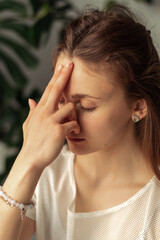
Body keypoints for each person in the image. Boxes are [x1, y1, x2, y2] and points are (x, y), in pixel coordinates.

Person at [0, 4, 160, 240]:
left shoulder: (153, 204)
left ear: (137, 106)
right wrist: (28, 158)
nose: (68, 120)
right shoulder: (48, 177)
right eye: (62, 100)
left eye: (87, 106)